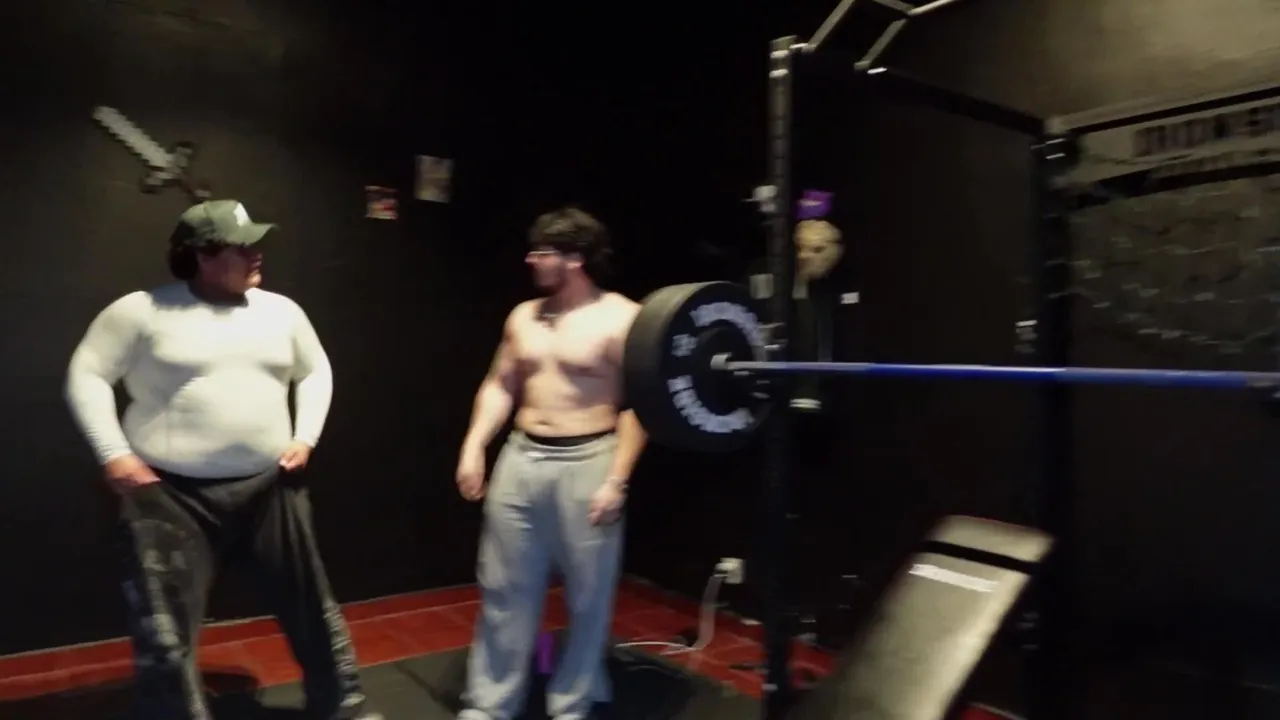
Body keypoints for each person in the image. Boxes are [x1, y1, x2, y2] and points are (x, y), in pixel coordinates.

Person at [63, 199, 380, 720]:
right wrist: (113, 452)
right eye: (242, 247)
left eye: (257, 244)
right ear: (202, 256)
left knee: (312, 607)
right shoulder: (140, 311)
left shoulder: (282, 311)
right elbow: (87, 373)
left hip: (271, 486)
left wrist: (306, 436)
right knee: (165, 628)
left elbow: (315, 371)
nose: (257, 254)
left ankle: (343, 707)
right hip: (171, 496)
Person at [455, 207, 647, 720]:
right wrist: (475, 444)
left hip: (590, 458)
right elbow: (500, 383)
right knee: (503, 586)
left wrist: (617, 479)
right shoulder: (523, 316)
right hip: (522, 455)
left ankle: (573, 701)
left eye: (542, 252)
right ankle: (490, 703)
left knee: (588, 593)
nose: (531, 260)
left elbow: (638, 407)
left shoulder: (623, 318)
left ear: (575, 259)